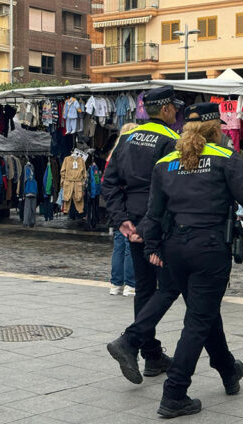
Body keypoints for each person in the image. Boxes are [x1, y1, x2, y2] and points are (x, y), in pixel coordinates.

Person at [108, 103, 243, 418]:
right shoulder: (225, 158)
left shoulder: (167, 162)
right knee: (197, 321)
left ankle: (228, 369)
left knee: (205, 310)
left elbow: (154, 213)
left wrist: (151, 247)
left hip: (175, 249)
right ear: (216, 129)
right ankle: (174, 393)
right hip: (209, 249)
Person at [102, 86, 184, 376]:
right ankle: (133, 343)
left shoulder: (126, 138)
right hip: (158, 223)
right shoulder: (172, 140)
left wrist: (121, 219)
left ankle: (150, 354)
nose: (177, 112)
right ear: (165, 110)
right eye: (174, 107)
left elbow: (109, 182)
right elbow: (168, 188)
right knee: (169, 286)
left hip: (133, 222)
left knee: (144, 288)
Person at [107, 123, 139, 297]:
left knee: (119, 243)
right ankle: (130, 283)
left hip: (116, 203)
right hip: (129, 201)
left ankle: (116, 283)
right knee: (128, 243)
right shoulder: (130, 155)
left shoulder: (114, 154)